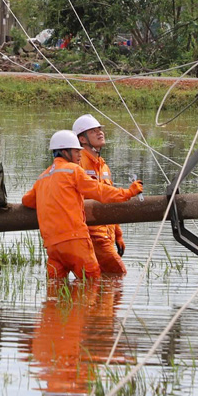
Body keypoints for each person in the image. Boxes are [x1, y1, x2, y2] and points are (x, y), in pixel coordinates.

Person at [22, 130, 142, 281]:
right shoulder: (73, 170)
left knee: (56, 288)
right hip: (75, 241)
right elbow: (100, 191)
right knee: (91, 282)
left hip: (52, 246)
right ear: (64, 152)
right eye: (76, 151)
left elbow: (27, 200)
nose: (80, 154)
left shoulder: (42, 177)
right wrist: (128, 192)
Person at [72, 114, 126, 275]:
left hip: (107, 233)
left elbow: (111, 200)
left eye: (99, 129)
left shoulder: (104, 167)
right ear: (82, 139)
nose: (99, 133)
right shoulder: (78, 164)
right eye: (93, 131)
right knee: (118, 274)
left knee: (97, 278)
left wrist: (118, 234)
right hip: (92, 234)